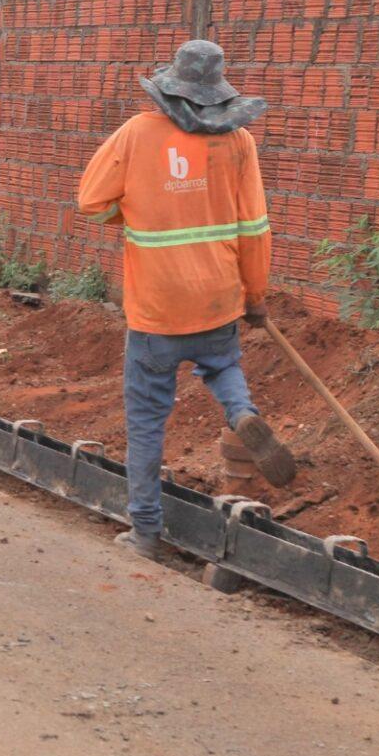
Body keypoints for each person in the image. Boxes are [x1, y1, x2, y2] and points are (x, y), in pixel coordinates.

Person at [77, 39, 296, 561]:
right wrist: (256, 296)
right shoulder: (239, 142)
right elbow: (255, 228)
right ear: (217, 94)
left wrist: (133, 218)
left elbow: (90, 201)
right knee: (222, 363)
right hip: (218, 294)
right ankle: (241, 412)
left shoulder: (137, 133)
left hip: (156, 307)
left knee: (148, 421)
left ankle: (146, 533)